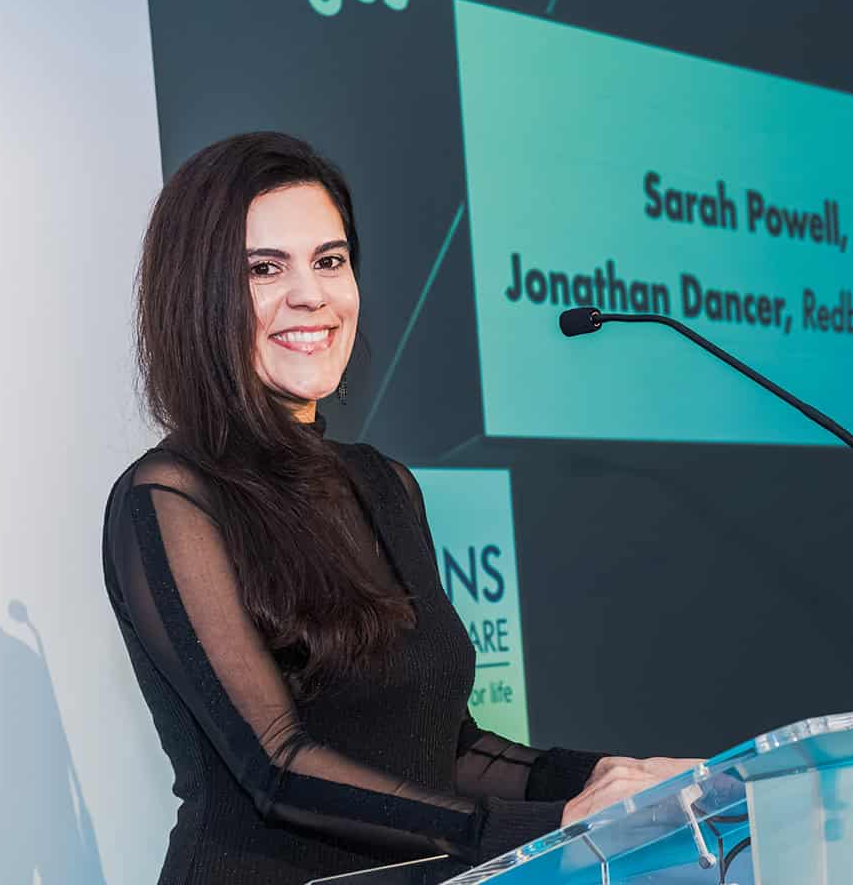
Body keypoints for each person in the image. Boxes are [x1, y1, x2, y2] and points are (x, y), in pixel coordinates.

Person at [103, 132, 691, 884]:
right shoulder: (170, 497)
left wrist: (618, 781)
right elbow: (276, 766)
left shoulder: (383, 485)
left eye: (330, 260)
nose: (311, 294)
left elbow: (446, 749)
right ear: (196, 296)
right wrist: (551, 828)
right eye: (263, 269)